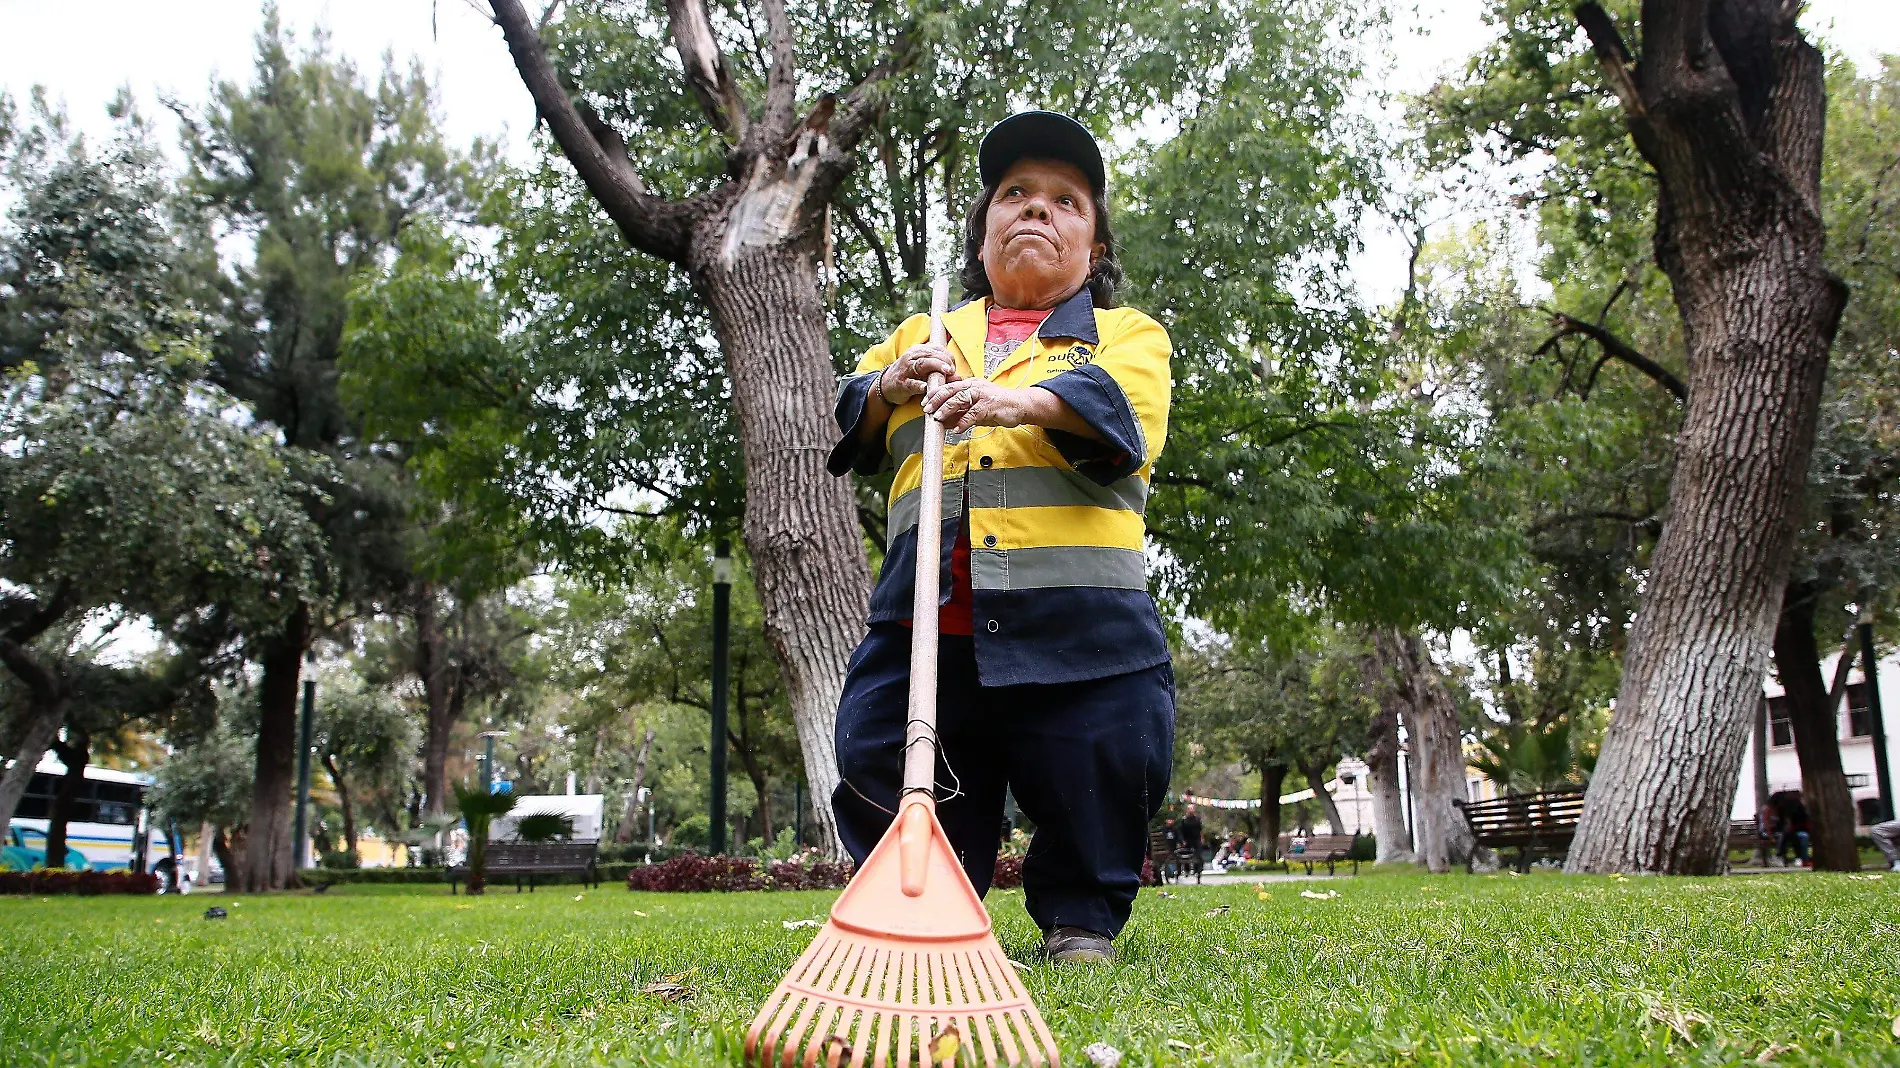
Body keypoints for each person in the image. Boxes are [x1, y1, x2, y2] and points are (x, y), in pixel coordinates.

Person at [826, 111, 1174, 965]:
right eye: (1014, 195)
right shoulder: (928, 333)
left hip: (1083, 628)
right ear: (983, 237)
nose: (1035, 210)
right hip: (926, 628)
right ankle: (925, 921)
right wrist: (889, 385)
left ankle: (1080, 924)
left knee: (1099, 764)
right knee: (878, 754)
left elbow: (1122, 418)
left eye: (1066, 201)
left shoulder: (1126, 336)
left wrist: (1011, 400)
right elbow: (854, 413)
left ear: (1094, 250)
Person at [1769, 790, 1811, 867]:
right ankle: (1781, 856)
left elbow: (1804, 820)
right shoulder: (1781, 809)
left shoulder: (1799, 808)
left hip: (1797, 831)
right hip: (1785, 832)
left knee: (1802, 836)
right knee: (1787, 835)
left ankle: (1803, 858)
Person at [1179, 803, 1204, 883]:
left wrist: (1201, 838)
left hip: (1196, 839)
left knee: (1198, 856)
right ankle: (1187, 870)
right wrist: (1182, 841)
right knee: (1186, 856)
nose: (1191, 810)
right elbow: (1181, 831)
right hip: (1187, 840)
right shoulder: (1184, 820)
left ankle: (1198, 871)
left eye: (1192, 808)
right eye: (1189, 809)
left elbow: (1200, 830)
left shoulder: (1197, 819)